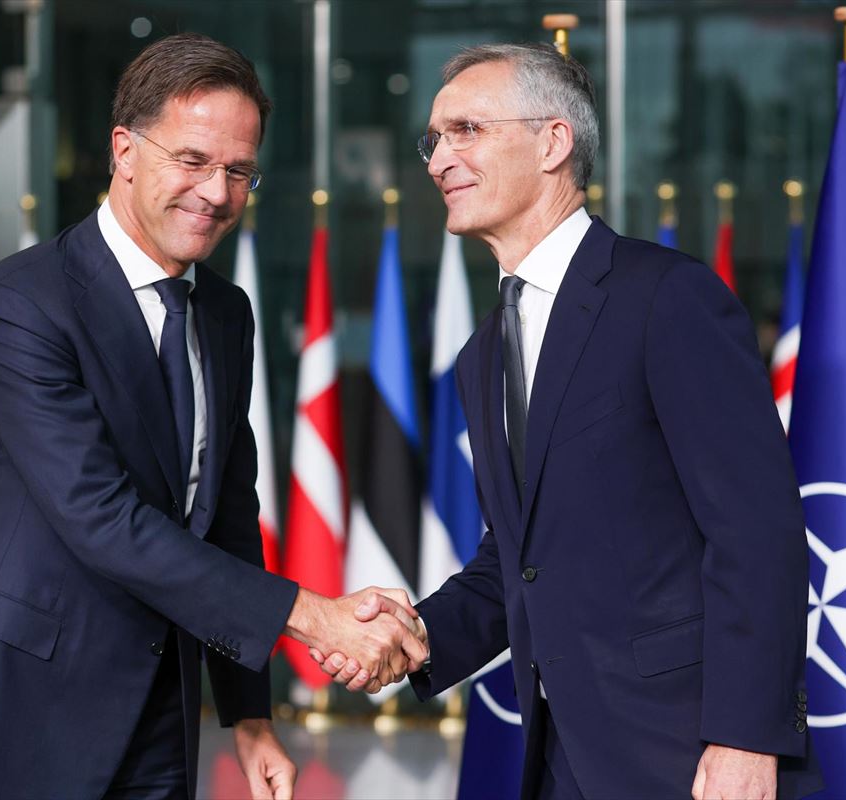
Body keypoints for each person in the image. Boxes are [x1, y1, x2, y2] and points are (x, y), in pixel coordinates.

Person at [0, 33, 426, 800]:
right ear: (124, 150)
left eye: (239, 171)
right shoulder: (22, 304)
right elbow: (102, 517)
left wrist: (247, 714)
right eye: (193, 161)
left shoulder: (226, 314)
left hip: (158, 719)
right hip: (7, 717)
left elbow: (229, 513)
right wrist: (312, 618)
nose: (216, 192)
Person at [316, 43, 820, 799]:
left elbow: (756, 530)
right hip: (557, 759)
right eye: (433, 139)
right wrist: (419, 636)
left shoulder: (668, 298)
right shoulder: (482, 354)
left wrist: (745, 736)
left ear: (553, 142)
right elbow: (517, 557)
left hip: (686, 753)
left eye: (466, 131)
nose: (438, 159)